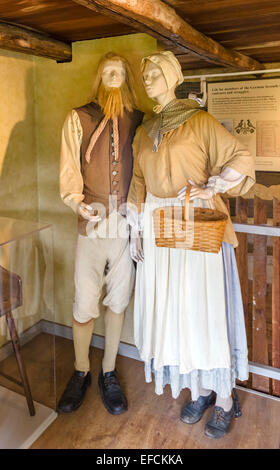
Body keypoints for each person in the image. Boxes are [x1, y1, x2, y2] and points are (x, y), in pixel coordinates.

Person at [127, 50, 255, 438]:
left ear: (170, 76)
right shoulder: (144, 129)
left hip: (195, 224)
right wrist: (135, 230)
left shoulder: (198, 121)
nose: (146, 80)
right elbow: (138, 183)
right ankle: (199, 390)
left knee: (203, 309)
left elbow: (240, 156)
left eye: (153, 74)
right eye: (144, 75)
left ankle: (225, 398)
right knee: (176, 309)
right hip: (157, 226)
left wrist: (211, 187)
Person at [58, 52, 143, 415]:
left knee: (118, 300)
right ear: (99, 76)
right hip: (92, 224)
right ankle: (81, 370)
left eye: (120, 71)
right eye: (108, 70)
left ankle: (108, 371)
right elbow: (68, 166)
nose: (114, 75)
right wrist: (76, 202)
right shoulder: (79, 117)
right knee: (85, 300)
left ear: (126, 78)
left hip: (125, 224)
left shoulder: (140, 120)